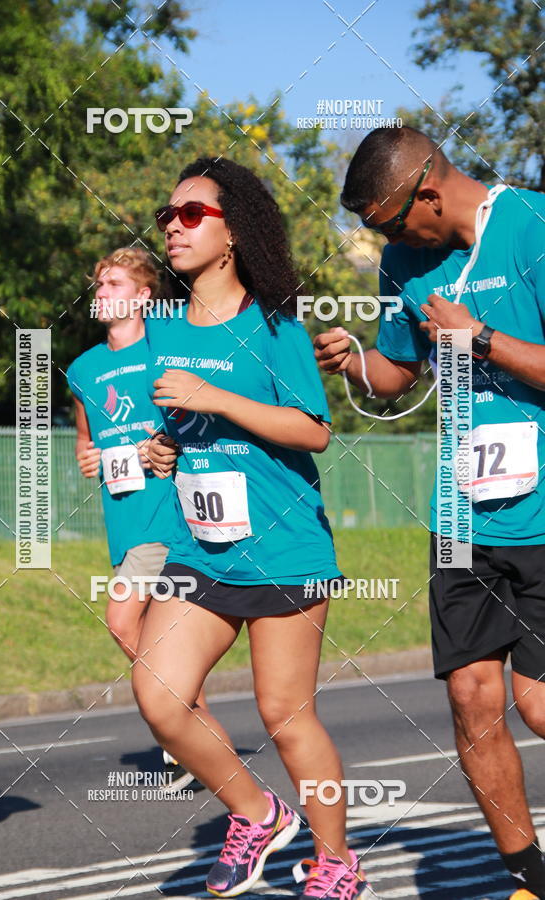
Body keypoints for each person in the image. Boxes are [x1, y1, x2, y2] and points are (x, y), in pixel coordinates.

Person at [132, 157, 373, 900]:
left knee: (284, 713)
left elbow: (312, 430)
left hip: (281, 546)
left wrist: (214, 396)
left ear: (232, 231)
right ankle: (257, 812)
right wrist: (165, 445)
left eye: (192, 214)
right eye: (168, 216)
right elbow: (186, 421)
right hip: (199, 547)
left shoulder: (275, 324)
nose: (174, 226)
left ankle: (336, 862)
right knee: (158, 693)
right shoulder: (162, 327)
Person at [314, 125, 545, 900]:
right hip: (462, 515)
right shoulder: (404, 263)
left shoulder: (532, 229)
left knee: (537, 706)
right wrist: (352, 359)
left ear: (430, 193)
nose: (382, 241)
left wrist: (480, 339)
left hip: (544, 514)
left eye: (385, 223)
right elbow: (396, 372)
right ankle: (531, 877)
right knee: (470, 696)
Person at [66, 246, 203, 791]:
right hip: (122, 518)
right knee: (151, 633)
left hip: (169, 514)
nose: (102, 294)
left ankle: (187, 730)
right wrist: (90, 458)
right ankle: (189, 728)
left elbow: (197, 425)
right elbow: (85, 442)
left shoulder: (165, 348)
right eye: (100, 286)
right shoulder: (83, 368)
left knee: (123, 621)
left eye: (115, 285)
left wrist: (162, 445)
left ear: (144, 296)